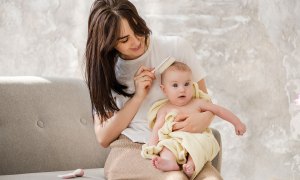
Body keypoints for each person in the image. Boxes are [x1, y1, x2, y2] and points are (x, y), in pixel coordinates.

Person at [85, 0, 223, 179]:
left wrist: (202, 120)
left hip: (180, 143)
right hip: (132, 147)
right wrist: (138, 97)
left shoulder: (176, 48)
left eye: (137, 29)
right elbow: (103, 137)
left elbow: (205, 103)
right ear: (108, 43)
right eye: (124, 39)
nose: (136, 41)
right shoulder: (107, 71)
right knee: (175, 178)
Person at [141, 61, 246, 179]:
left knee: (201, 145)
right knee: (165, 146)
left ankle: (192, 164)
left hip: (196, 138)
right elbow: (157, 128)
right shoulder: (165, 109)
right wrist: (152, 147)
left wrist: (237, 123)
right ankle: (170, 162)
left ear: (193, 85)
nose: (182, 90)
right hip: (176, 141)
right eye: (175, 85)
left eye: (186, 84)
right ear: (164, 90)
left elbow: (219, 110)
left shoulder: (197, 103)